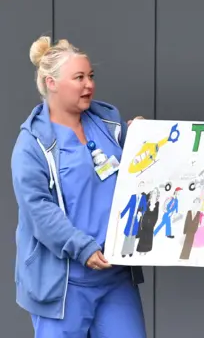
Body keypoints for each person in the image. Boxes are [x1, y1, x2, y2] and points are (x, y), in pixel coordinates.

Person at [11, 36, 146, 337]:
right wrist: (82, 248)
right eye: (79, 77)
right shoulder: (31, 145)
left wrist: (140, 140)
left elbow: (137, 176)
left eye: (91, 76)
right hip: (64, 283)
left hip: (115, 277)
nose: (89, 85)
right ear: (52, 83)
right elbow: (38, 211)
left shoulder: (107, 122)